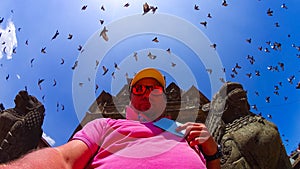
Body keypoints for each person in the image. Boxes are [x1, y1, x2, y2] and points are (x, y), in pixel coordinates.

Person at [0, 68, 221, 169]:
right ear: (130, 98)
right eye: (139, 88)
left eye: (154, 89)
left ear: (165, 97)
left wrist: (213, 155)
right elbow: (63, 159)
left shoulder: (187, 131)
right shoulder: (105, 125)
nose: (146, 92)